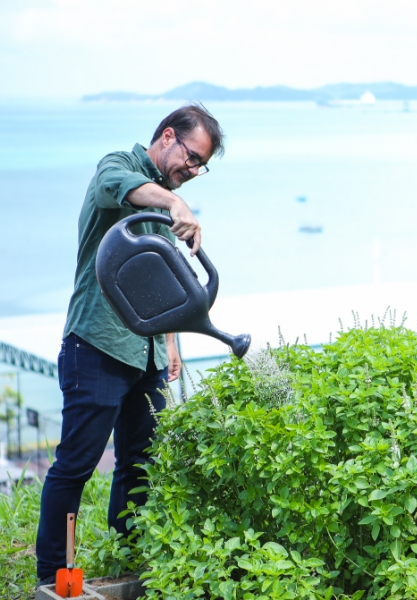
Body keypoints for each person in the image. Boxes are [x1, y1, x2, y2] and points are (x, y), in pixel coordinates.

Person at [35, 103, 225, 586]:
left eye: (202, 165)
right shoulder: (118, 166)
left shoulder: (164, 200)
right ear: (167, 136)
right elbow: (113, 187)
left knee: (138, 466)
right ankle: (51, 577)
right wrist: (172, 203)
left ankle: (128, 566)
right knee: (75, 465)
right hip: (97, 342)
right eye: (193, 157)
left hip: (148, 354)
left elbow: (160, 281)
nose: (194, 170)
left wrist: (171, 342)